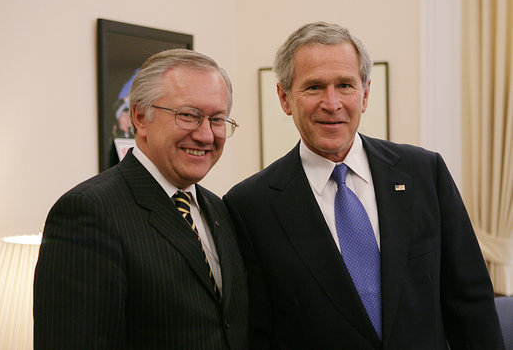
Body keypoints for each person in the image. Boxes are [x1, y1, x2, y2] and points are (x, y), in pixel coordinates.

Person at [224, 22, 505, 349]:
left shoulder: (424, 174)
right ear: (285, 98)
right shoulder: (250, 206)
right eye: (314, 87)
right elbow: (259, 332)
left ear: (366, 94)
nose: (332, 103)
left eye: (345, 85)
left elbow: (470, 303)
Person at [34, 49, 248, 349]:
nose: (206, 135)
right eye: (188, 115)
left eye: (217, 119)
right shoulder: (88, 212)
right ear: (139, 117)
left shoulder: (220, 210)